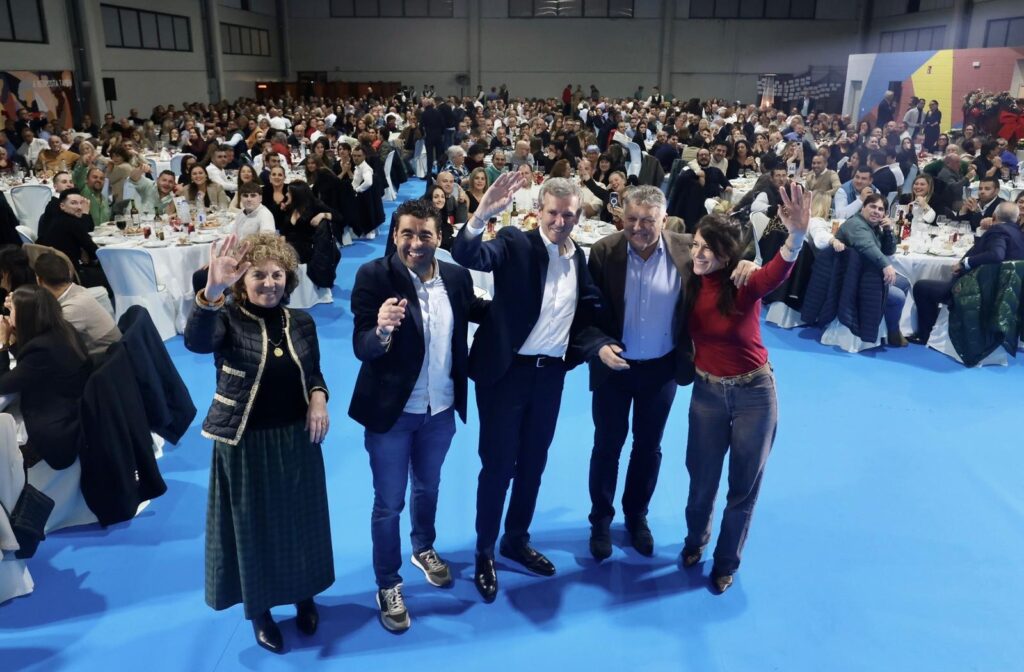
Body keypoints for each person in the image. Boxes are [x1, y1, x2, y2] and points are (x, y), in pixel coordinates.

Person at [452, 174, 606, 602]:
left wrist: (599, 344)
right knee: (498, 466)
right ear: (539, 211)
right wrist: (480, 215)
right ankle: (485, 550)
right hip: (506, 375)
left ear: (579, 215)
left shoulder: (578, 258)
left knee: (534, 464)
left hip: (549, 377)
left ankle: (515, 539)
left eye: (568, 214)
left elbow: (589, 309)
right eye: (553, 212)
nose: (560, 221)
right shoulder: (515, 243)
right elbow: (469, 254)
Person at [583, 185, 758, 560]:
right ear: (622, 217)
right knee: (607, 447)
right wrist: (598, 345)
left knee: (648, 448)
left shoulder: (685, 248)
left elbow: (725, 252)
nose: (638, 227)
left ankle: (636, 516)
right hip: (614, 369)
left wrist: (749, 262)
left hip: (661, 370)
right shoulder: (603, 252)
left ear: (665, 219)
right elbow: (587, 309)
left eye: (648, 220)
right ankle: (600, 521)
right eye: (631, 219)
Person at [184, 233, 333, 654]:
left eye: (277, 274)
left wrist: (318, 398)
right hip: (244, 443)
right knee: (252, 530)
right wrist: (211, 293)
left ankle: (304, 595)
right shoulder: (227, 320)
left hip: (297, 441)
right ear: (242, 282)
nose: (269, 283)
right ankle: (261, 611)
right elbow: (197, 341)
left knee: (301, 523)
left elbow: (314, 372)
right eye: (258, 275)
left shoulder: (301, 322)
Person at [349, 199, 489, 632]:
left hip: (440, 409)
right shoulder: (374, 276)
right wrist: (381, 330)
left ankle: (423, 546)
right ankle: (388, 582)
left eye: (425, 234)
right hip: (391, 414)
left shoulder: (457, 278)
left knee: (428, 486)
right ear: (395, 235)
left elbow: (485, 312)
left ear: (439, 238)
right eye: (407, 233)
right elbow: (361, 346)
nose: (415, 243)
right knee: (389, 503)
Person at [680, 184, 809, 594]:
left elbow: (777, 272)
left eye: (709, 249)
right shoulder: (687, 278)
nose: (699, 254)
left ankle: (726, 562)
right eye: (696, 245)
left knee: (743, 487)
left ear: (727, 255)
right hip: (706, 394)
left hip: (755, 394)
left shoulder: (743, 282)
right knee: (701, 481)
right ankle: (695, 541)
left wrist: (796, 236)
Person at [0, 285, 91, 471]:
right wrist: (13, 340)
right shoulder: (61, 329)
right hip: (74, 410)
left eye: (12, 310)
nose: (9, 314)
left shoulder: (42, 349)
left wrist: (3, 344)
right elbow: (30, 366)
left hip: (55, 434)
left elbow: (4, 384)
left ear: (25, 316)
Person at [909, 202, 1024, 344]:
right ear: (1016, 218)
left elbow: (996, 255)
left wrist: (965, 263)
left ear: (994, 216)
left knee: (921, 287)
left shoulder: (998, 230)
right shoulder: (1018, 234)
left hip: (977, 292)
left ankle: (925, 335)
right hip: (1006, 293)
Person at [835, 193, 909, 346]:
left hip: (869, 274)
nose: (876, 211)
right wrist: (886, 265)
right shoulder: (856, 224)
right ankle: (893, 331)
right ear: (863, 207)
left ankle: (888, 326)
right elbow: (866, 246)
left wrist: (888, 230)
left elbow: (889, 250)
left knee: (904, 283)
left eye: (881, 209)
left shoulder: (873, 227)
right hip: (853, 279)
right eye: (872, 207)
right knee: (898, 297)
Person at [34, 252, 120, 358]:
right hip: (110, 352)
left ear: (39, 280)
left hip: (106, 359)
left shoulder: (71, 309)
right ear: (70, 273)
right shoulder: (77, 290)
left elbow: (49, 343)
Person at [37, 190, 107, 290]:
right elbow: (94, 252)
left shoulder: (55, 219)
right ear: (62, 206)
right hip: (71, 276)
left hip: (52, 274)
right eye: (73, 203)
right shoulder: (72, 223)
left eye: (81, 203)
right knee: (111, 274)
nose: (79, 207)